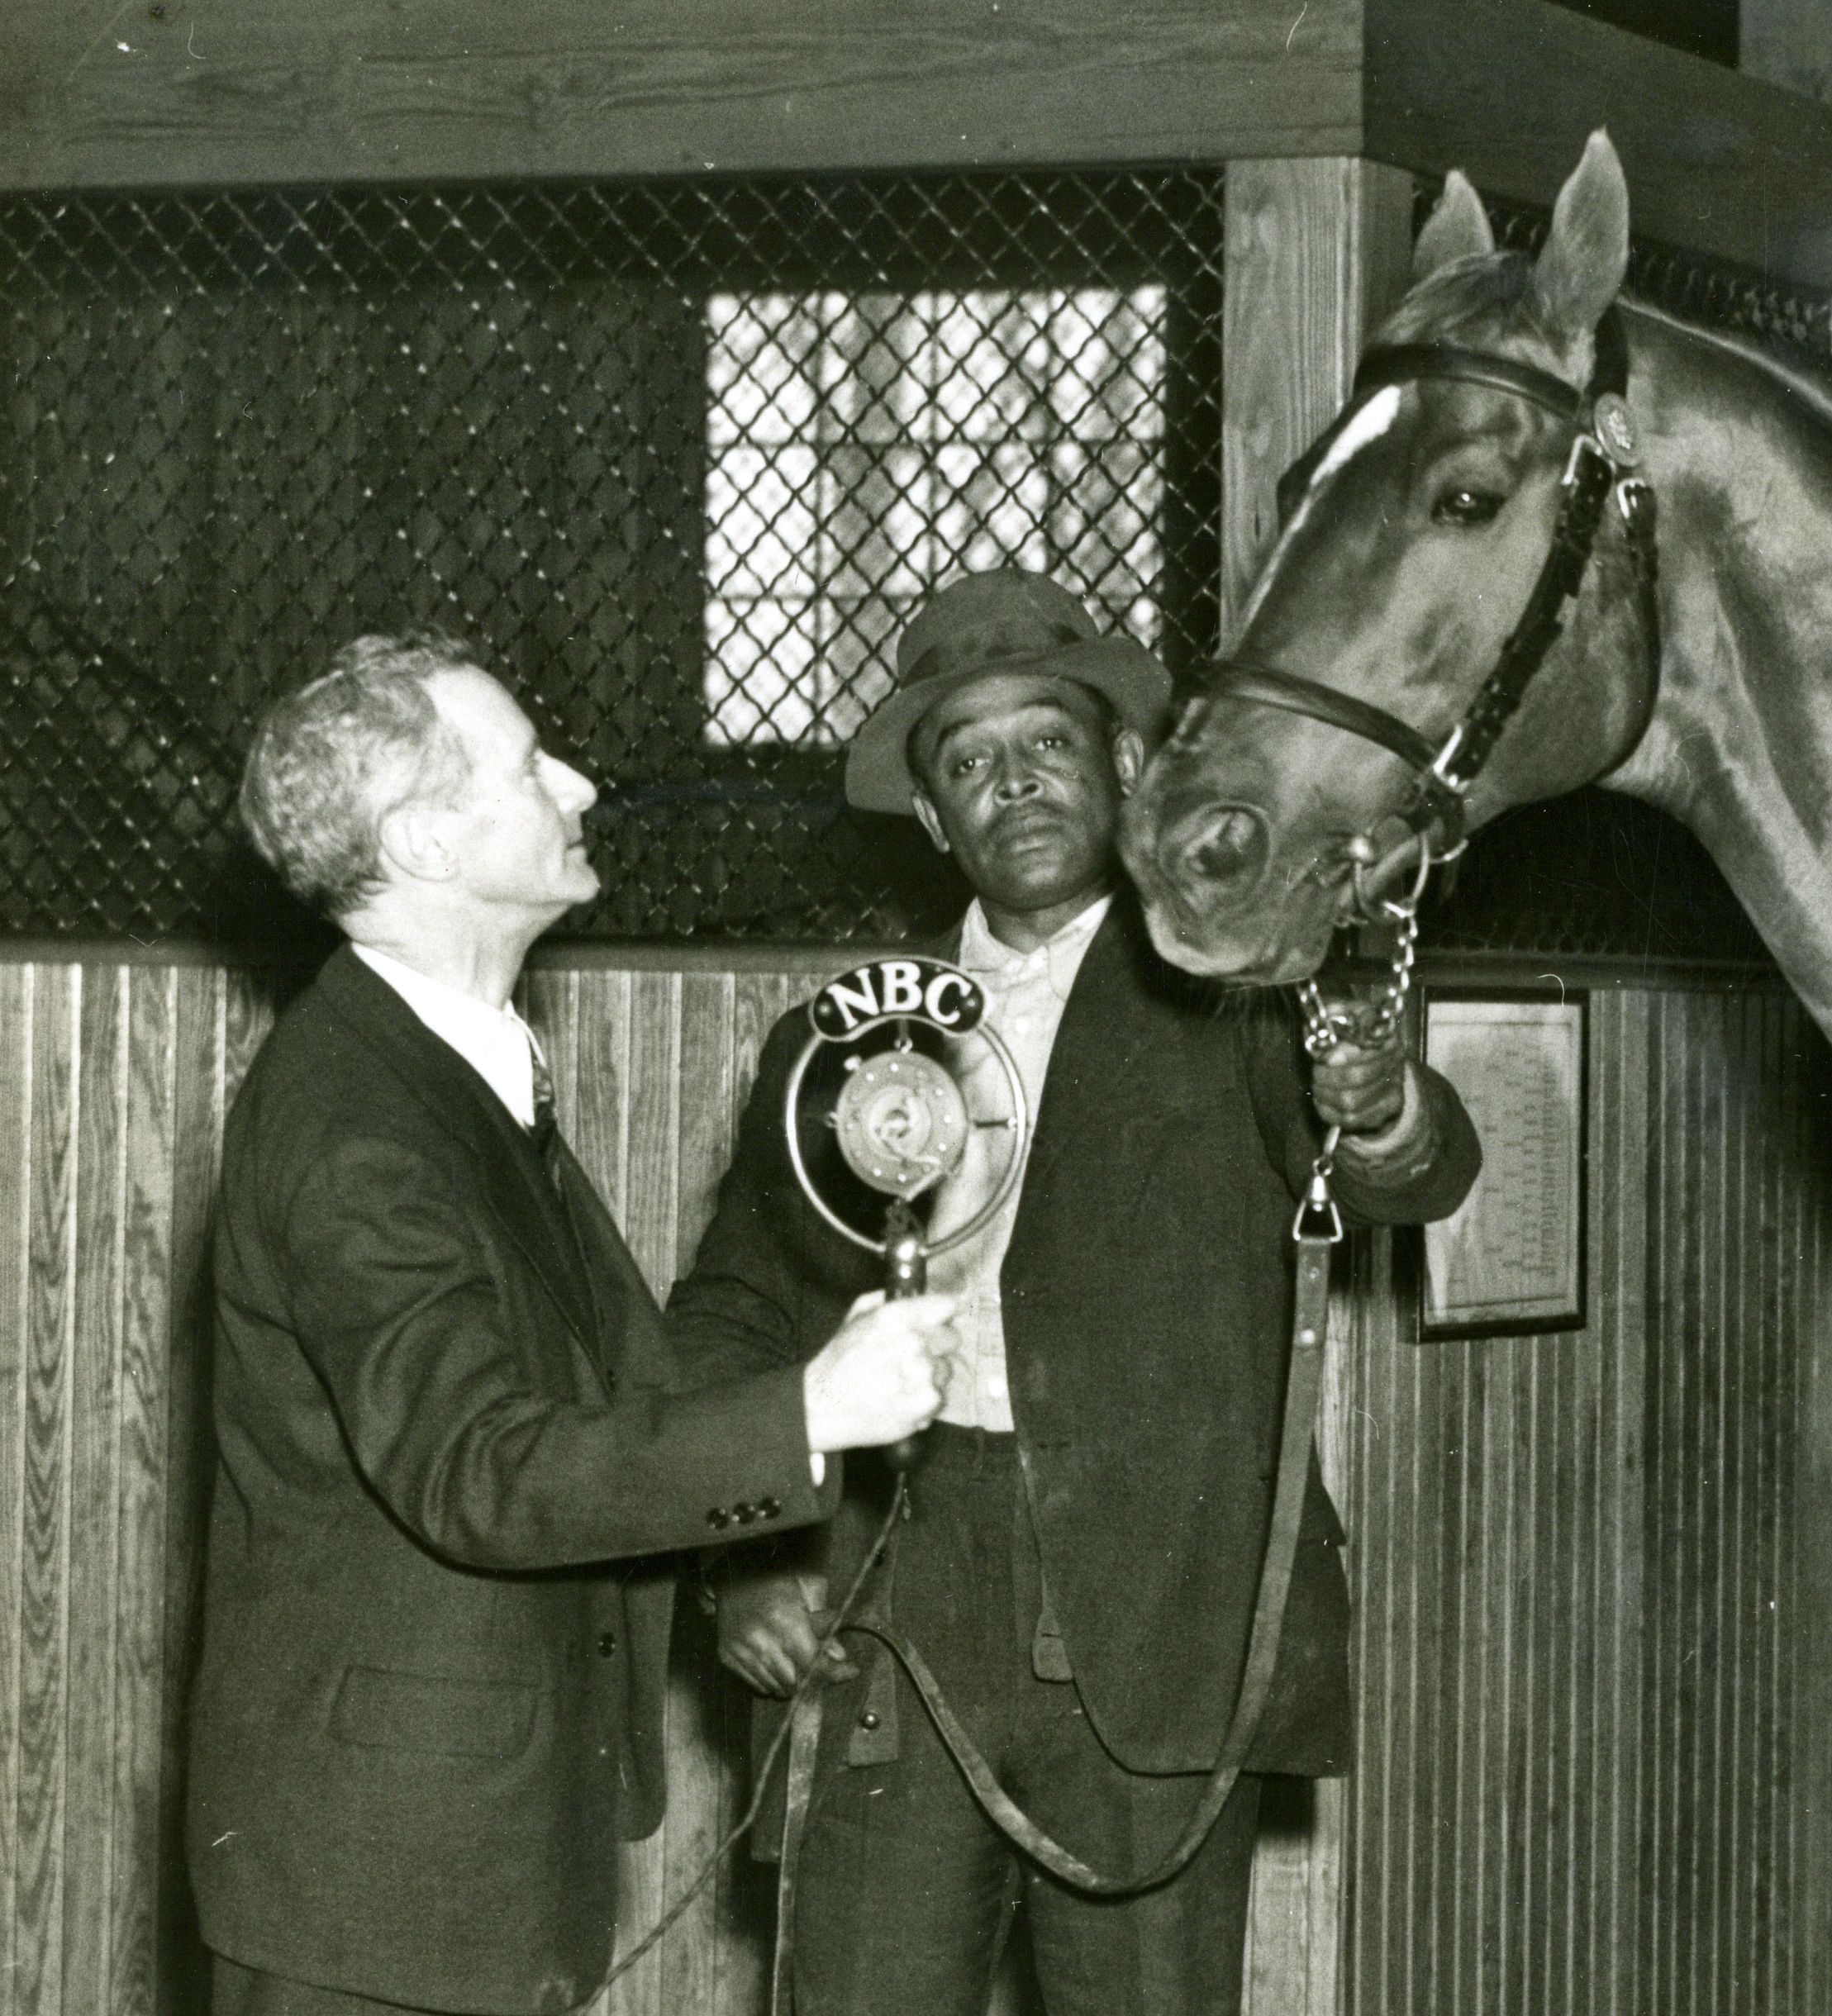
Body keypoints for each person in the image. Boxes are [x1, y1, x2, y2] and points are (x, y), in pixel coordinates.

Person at [667, 568, 1482, 2016]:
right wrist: (742, 1555)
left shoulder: (1237, 992)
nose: (1012, 785)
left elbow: (1406, 1177)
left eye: (1044, 743)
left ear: (1122, 764)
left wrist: (1384, 1100)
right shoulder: (844, 1047)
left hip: (1158, 1618)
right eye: (967, 766)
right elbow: (730, 1314)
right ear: (933, 821)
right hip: (889, 1612)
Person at [187, 631, 956, 2016]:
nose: (583, 784)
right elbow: (484, 1467)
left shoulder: (450, 1069)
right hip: (379, 1886)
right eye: (530, 764)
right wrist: (810, 1414)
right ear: (425, 840)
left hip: (457, 1854)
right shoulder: (359, 1123)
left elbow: (610, 1384)